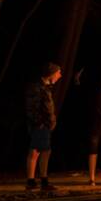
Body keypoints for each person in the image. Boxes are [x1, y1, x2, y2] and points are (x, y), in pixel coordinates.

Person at [25, 62, 62, 191]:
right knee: (39, 151)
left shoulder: (45, 87)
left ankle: (34, 181)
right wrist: (40, 123)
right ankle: (39, 181)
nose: (60, 75)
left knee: (39, 150)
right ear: (51, 74)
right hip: (40, 125)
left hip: (44, 124)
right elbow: (32, 107)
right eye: (58, 73)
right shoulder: (37, 87)